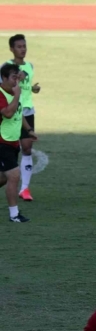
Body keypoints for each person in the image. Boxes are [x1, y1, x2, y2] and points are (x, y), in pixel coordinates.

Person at [5, 34, 41, 201]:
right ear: (12, 49)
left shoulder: (30, 66)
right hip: (11, 112)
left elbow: (27, 87)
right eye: (19, 46)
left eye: (24, 46)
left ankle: (25, 189)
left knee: (26, 148)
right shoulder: (6, 67)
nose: (23, 49)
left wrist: (33, 89)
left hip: (27, 111)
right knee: (9, 149)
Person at [0, 63, 36, 222]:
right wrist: (16, 95)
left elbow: (19, 113)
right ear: (4, 78)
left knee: (3, 178)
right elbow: (8, 113)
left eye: (17, 76)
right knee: (14, 175)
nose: (16, 80)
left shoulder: (14, 92)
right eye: (13, 77)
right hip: (2, 142)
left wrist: (29, 130)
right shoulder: (1, 94)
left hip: (12, 142)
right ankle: (14, 215)